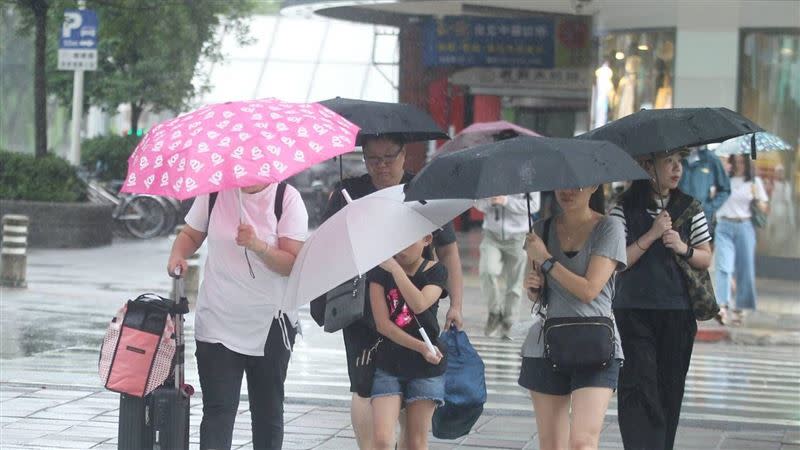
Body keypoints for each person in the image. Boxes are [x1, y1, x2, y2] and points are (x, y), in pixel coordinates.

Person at [320, 134, 465, 449]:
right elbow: (328, 244)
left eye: (388, 157)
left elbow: (449, 251)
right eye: (372, 159)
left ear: (404, 155)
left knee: (411, 381)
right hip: (361, 305)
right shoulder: (349, 192)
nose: (381, 166)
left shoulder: (424, 190)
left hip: (412, 300)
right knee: (364, 383)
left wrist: (456, 303)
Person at [167, 183, 308, 450]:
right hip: (218, 320)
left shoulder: (286, 198)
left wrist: (258, 246)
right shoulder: (214, 194)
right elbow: (191, 234)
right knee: (218, 411)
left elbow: (291, 264)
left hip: (270, 323)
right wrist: (178, 255)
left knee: (267, 412)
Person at [609, 149, 713, 450]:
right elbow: (618, 262)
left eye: (679, 161)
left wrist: (683, 247)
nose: (676, 167)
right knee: (639, 388)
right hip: (633, 311)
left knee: (670, 389)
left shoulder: (690, 207)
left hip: (677, 312)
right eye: (668, 161)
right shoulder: (623, 207)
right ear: (647, 166)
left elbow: (706, 258)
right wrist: (653, 234)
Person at [520, 185, 626, 450]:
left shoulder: (609, 228)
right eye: (561, 183)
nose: (567, 191)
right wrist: (534, 286)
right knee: (552, 445)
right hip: (546, 344)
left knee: (582, 443)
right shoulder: (540, 229)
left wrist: (545, 259)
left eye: (576, 184)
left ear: (593, 186)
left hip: (596, 344)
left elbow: (589, 290)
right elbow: (536, 293)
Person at [369, 234, 448, 450]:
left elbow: (419, 304)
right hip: (389, 362)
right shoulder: (379, 271)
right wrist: (420, 347)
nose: (401, 249)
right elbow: (383, 325)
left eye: (408, 241)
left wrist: (396, 270)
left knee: (415, 442)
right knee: (383, 440)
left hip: (426, 366)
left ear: (426, 239)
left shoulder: (436, 271)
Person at [475, 191, 539, 339]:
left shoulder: (528, 175)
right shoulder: (490, 174)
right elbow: (477, 202)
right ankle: (495, 312)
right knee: (487, 271)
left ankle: (509, 322)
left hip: (519, 235)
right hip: (491, 234)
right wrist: (489, 202)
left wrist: (506, 201)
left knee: (515, 282)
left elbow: (534, 205)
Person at [714, 154, 769, 325]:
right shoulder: (723, 179)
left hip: (744, 226)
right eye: (735, 162)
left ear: (746, 163)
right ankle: (723, 306)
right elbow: (714, 199)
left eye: (741, 162)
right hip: (723, 225)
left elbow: (764, 207)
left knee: (744, 269)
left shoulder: (754, 182)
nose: (738, 166)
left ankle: (740, 307)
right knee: (724, 266)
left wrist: (757, 199)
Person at [678, 145, 731, 235]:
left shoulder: (711, 159)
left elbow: (725, 189)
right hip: (678, 218)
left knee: (702, 248)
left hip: (703, 218)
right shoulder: (679, 157)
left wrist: (709, 207)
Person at [765, 164, 794, 255]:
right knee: (769, 236)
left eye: (781, 172)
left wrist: (792, 220)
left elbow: (789, 203)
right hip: (771, 215)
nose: (779, 174)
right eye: (778, 172)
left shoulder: (786, 186)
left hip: (782, 217)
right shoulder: (770, 184)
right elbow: (766, 199)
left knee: (780, 238)